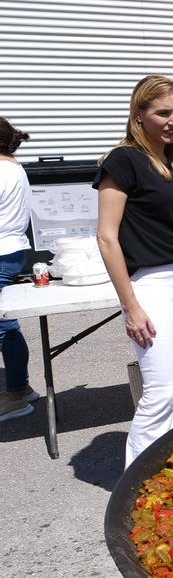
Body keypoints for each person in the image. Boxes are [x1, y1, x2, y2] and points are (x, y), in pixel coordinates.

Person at [94, 75, 173, 467]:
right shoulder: (123, 161)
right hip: (153, 284)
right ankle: (136, 482)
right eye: (163, 112)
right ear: (139, 114)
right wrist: (131, 306)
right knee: (159, 390)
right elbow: (107, 238)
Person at [0, 119, 38, 422]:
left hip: (2, 253)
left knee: (4, 325)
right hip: (12, 249)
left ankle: (16, 394)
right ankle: (20, 389)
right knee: (5, 324)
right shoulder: (13, 166)